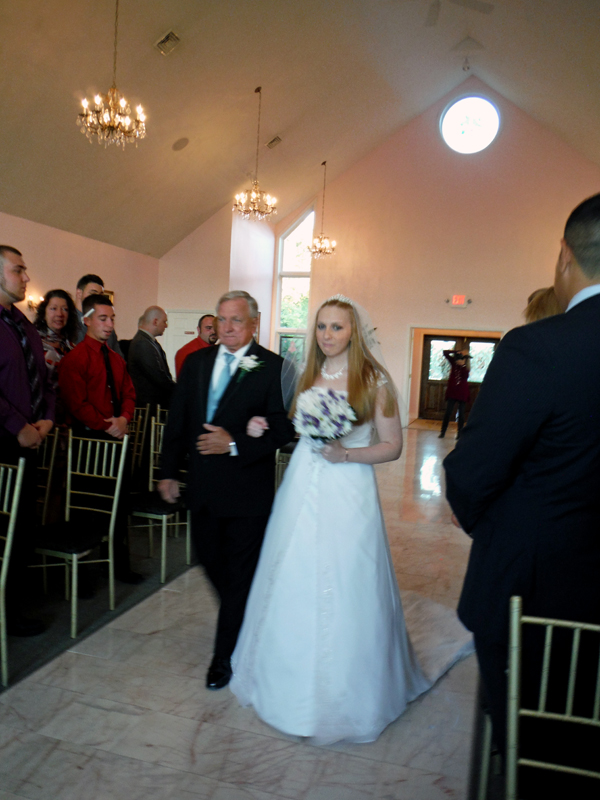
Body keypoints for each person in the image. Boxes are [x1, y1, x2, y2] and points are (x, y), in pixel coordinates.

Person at [229, 295, 460, 744]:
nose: (328, 335)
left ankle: (352, 691)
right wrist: (262, 426)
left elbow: (392, 445)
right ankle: (283, 681)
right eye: (322, 327)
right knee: (293, 570)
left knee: (347, 572)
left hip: (348, 486)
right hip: (302, 484)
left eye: (336, 327)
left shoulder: (373, 380)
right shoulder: (307, 374)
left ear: (354, 331)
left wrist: (346, 453)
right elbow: (297, 427)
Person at [443, 193, 600, 790]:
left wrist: (489, 522)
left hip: (537, 590)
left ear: (564, 256)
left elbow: (474, 472)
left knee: (533, 734)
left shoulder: (539, 346)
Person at [158, 291, 295, 691]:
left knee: (238, 574)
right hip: (201, 488)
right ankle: (246, 615)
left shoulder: (274, 367)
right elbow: (177, 420)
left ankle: (224, 657)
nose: (228, 327)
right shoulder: (196, 363)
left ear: (253, 323)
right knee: (208, 559)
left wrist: (234, 442)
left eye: (236, 320)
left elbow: (283, 427)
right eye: (222, 319)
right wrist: (167, 472)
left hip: (246, 492)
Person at [58, 293, 140, 584]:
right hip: (88, 441)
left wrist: (123, 420)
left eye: (112, 318)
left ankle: (119, 565)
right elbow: (76, 403)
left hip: (117, 438)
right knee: (86, 508)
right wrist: (107, 426)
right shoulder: (75, 359)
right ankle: (81, 575)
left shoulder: (117, 359)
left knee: (119, 504)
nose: (109, 324)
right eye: (103, 318)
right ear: (87, 320)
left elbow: (130, 393)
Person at [0, 245, 55, 635]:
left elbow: (47, 378)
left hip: (33, 438)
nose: (25, 277)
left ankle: (14, 611)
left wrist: (47, 420)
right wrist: (17, 424)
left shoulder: (24, 324)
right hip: (4, 441)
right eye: (18, 270)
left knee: (22, 528)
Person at [127, 306, 175, 412]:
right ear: (155, 321)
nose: (166, 326)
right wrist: (180, 390)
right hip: (148, 408)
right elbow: (158, 376)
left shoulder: (148, 342)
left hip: (152, 406)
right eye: (164, 321)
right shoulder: (142, 343)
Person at [34, 289, 78, 394]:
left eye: (65, 309)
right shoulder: (33, 342)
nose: (59, 314)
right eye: (53, 308)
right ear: (44, 313)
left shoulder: (72, 348)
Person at [73, 273, 122, 356]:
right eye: (93, 294)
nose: (97, 299)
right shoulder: (69, 321)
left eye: (100, 295)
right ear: (79, 293)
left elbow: (119, 357)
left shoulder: (108, 325)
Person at [438, 349, 470, 439]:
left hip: (462, 392)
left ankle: (460, 434)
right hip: (452, 392)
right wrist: (456, 351)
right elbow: (445, 353)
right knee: (448, 412)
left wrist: (463, 364)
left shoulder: (466, 367)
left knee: (461, 414)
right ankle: (442, 432)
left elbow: (465, 377)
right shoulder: (453, 363)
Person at [174, 314, 217, 378]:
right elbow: (184, 384)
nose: (213, 331)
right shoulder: (187, 352)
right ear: (199, 330)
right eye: (208, 328)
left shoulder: (220, 350)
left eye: (216, 328)